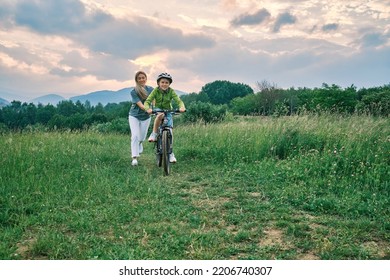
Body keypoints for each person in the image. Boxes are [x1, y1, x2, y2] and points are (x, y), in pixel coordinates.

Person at [144, 72, 185, 163]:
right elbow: (147, 101)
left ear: (169, 84)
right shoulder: (155, 91)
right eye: (162, 82)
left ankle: (170, 153)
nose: (164, 84)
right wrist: (148, 109)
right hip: (158, 109)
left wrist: (182, 107)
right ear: (158, 83)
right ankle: (154, 133)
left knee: (170, 130)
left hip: (168, 110)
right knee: (160, 115)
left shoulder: (171, 91)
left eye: (167, 82)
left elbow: (179, 101)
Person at [128, 71, 154, 166]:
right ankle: (134, 158)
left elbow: (154, 101)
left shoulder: (151, 89)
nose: (142, 79)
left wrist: (155, 109)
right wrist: (148, 109)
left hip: (146, 117)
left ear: (146, 78)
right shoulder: (134, 91)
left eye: (143, 77)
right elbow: (140, 105)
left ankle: (140, 143)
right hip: (134, 115)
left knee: (142, 137)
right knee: (134, 135)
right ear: (136, 80)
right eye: (139, 78)